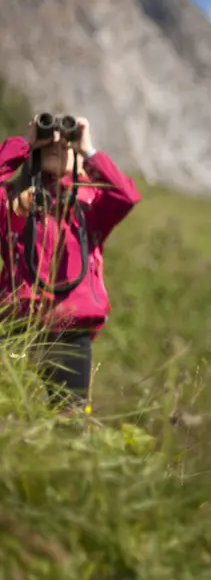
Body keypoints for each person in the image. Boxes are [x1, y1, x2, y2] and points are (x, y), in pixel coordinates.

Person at [0, 113, 141, 409]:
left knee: (69, 423)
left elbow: (127, 196)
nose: (58, 145)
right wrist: (24, 144)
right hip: (16, 326)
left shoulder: (92, 205)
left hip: (71, 332)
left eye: (67, 144)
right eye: (50, 141)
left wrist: (88, 150)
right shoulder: (11, 199)